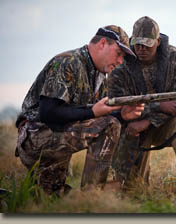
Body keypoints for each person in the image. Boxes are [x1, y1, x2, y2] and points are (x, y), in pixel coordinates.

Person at [15, 25, 145, 196]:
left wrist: (122, 115)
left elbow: (91, 118)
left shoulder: (100, 77)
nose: (120, 61)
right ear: (103, 43)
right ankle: (93, 195)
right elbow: (48, 113)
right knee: (110, 125)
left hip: (56, 137)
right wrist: (94, 113)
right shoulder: (68, 62)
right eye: (119, 53)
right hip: (35, 136)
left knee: (50, 196)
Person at [108, 16, 176, 193]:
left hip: (163, 124)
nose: (141, 49)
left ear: (158, 42)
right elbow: (115, 104)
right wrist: (158, 106)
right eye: (137, 44)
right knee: (131, 191)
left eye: (147, 44)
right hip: (131, 127)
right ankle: (127, 186)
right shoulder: (120, 65)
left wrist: (149, 121)